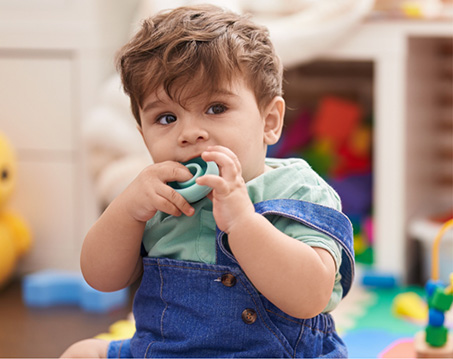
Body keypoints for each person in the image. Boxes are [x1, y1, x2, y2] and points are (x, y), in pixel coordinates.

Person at [61, 4, 354, 358]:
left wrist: (243, 223)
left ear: (269, 121)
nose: (189, 134)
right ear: (143, 135)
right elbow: (101, 278)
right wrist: (127, 211)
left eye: (216, 108)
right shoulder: (157, 197)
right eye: (166, 118)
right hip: (164, 352)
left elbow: (311, 296)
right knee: (81, 352)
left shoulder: (298, 190)